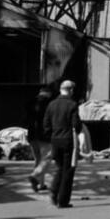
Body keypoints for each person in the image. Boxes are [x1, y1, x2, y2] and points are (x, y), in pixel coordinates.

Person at [43, 79, 82, 209]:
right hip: (68, 141)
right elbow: (76, 125)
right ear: (71, 90)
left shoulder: (51, 104)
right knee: (68, 170)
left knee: (60, 168)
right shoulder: (72, 105)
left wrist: (51, 137)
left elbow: (46, 124)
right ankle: (63, 200)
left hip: (55, 140)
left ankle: (54, 192)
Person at [26, 85, 54, 193]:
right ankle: (36, 179)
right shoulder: (49, 103)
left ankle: (39, 184)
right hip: (44, 136)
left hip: (32, 135)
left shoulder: (30, 102)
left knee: (37, 159)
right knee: (45, 159)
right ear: (48, 93)